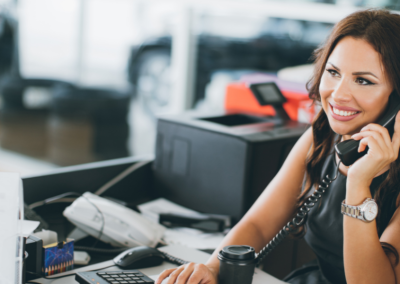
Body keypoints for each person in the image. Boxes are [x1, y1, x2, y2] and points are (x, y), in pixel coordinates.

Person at [156, 9, 400, 284]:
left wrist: (358, 183)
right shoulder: (321, 138)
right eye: (333, 72)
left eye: (363, 80)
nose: (339, 94)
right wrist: (212, 268)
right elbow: (259, 225)